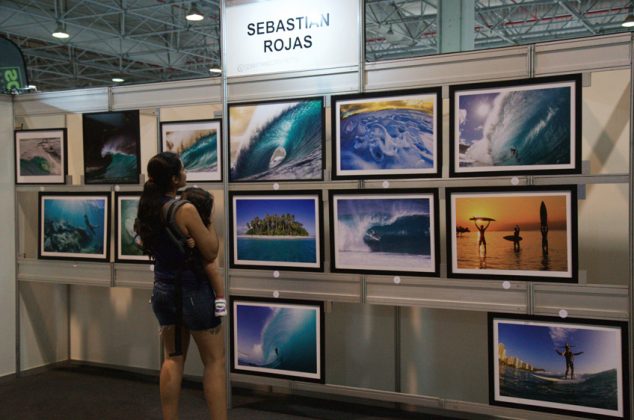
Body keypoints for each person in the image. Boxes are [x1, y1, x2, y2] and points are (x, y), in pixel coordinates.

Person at [135, 152, 227, 420]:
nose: (186, 173)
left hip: (163, 290)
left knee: (173, 359)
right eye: (183, 170)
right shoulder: (184, 209)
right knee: (214, 361)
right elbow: (210, 251)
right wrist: (207, 220)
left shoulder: (148, 207)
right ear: (174, 179)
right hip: (193, 292)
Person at [180, 187, 226, 317]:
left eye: (183, 202)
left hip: (200, 262)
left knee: (211, 267)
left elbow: (211, 250)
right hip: (187, 269)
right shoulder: (181, 219)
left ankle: (220, 299)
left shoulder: (203, 223)